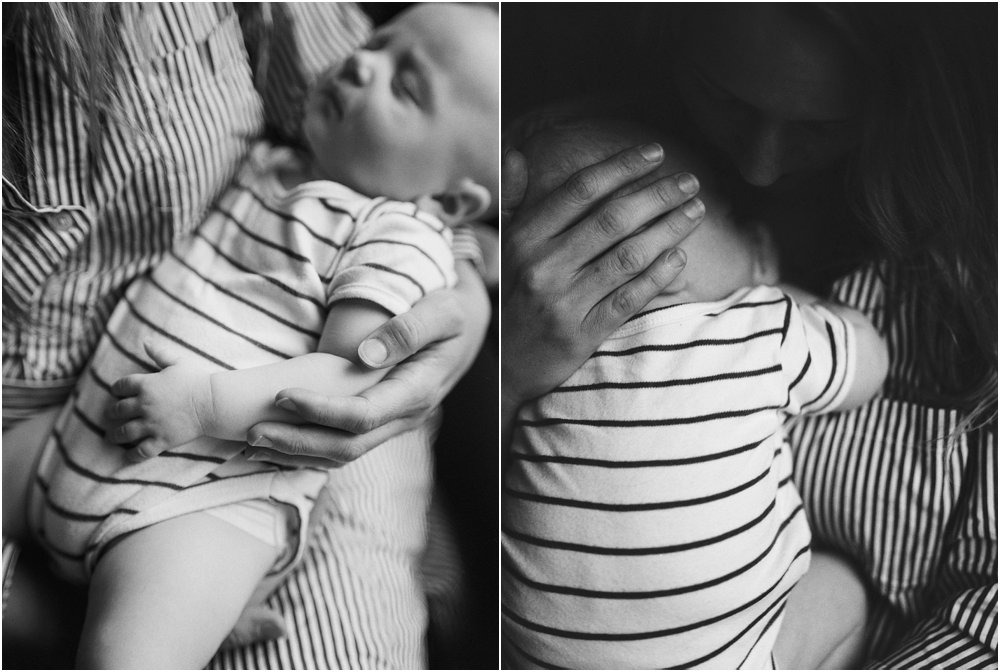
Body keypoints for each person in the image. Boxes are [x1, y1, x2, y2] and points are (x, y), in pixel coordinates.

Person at [501, 4, 996, 668]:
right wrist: (507, 374)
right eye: (722, 96)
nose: (760, 168)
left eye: (823, 125)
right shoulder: (573, 180)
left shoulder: (966, 273)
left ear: (907, 95)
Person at [3, 3, 495, 668]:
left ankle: (175, 610)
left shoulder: (396, 237)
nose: (359, 60)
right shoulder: (277, 163)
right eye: (379, 41)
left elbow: (345, 379)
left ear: (455, 203)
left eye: (404, 86)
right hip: (74, 429)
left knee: (125, 656)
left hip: (199, 504)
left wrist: (206, 404)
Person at [502, 116, 886, 669]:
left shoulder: (548, 372)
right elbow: (868, 362)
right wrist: (790, 296)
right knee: (843, 589)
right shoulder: (756, 329)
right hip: (729, 659)